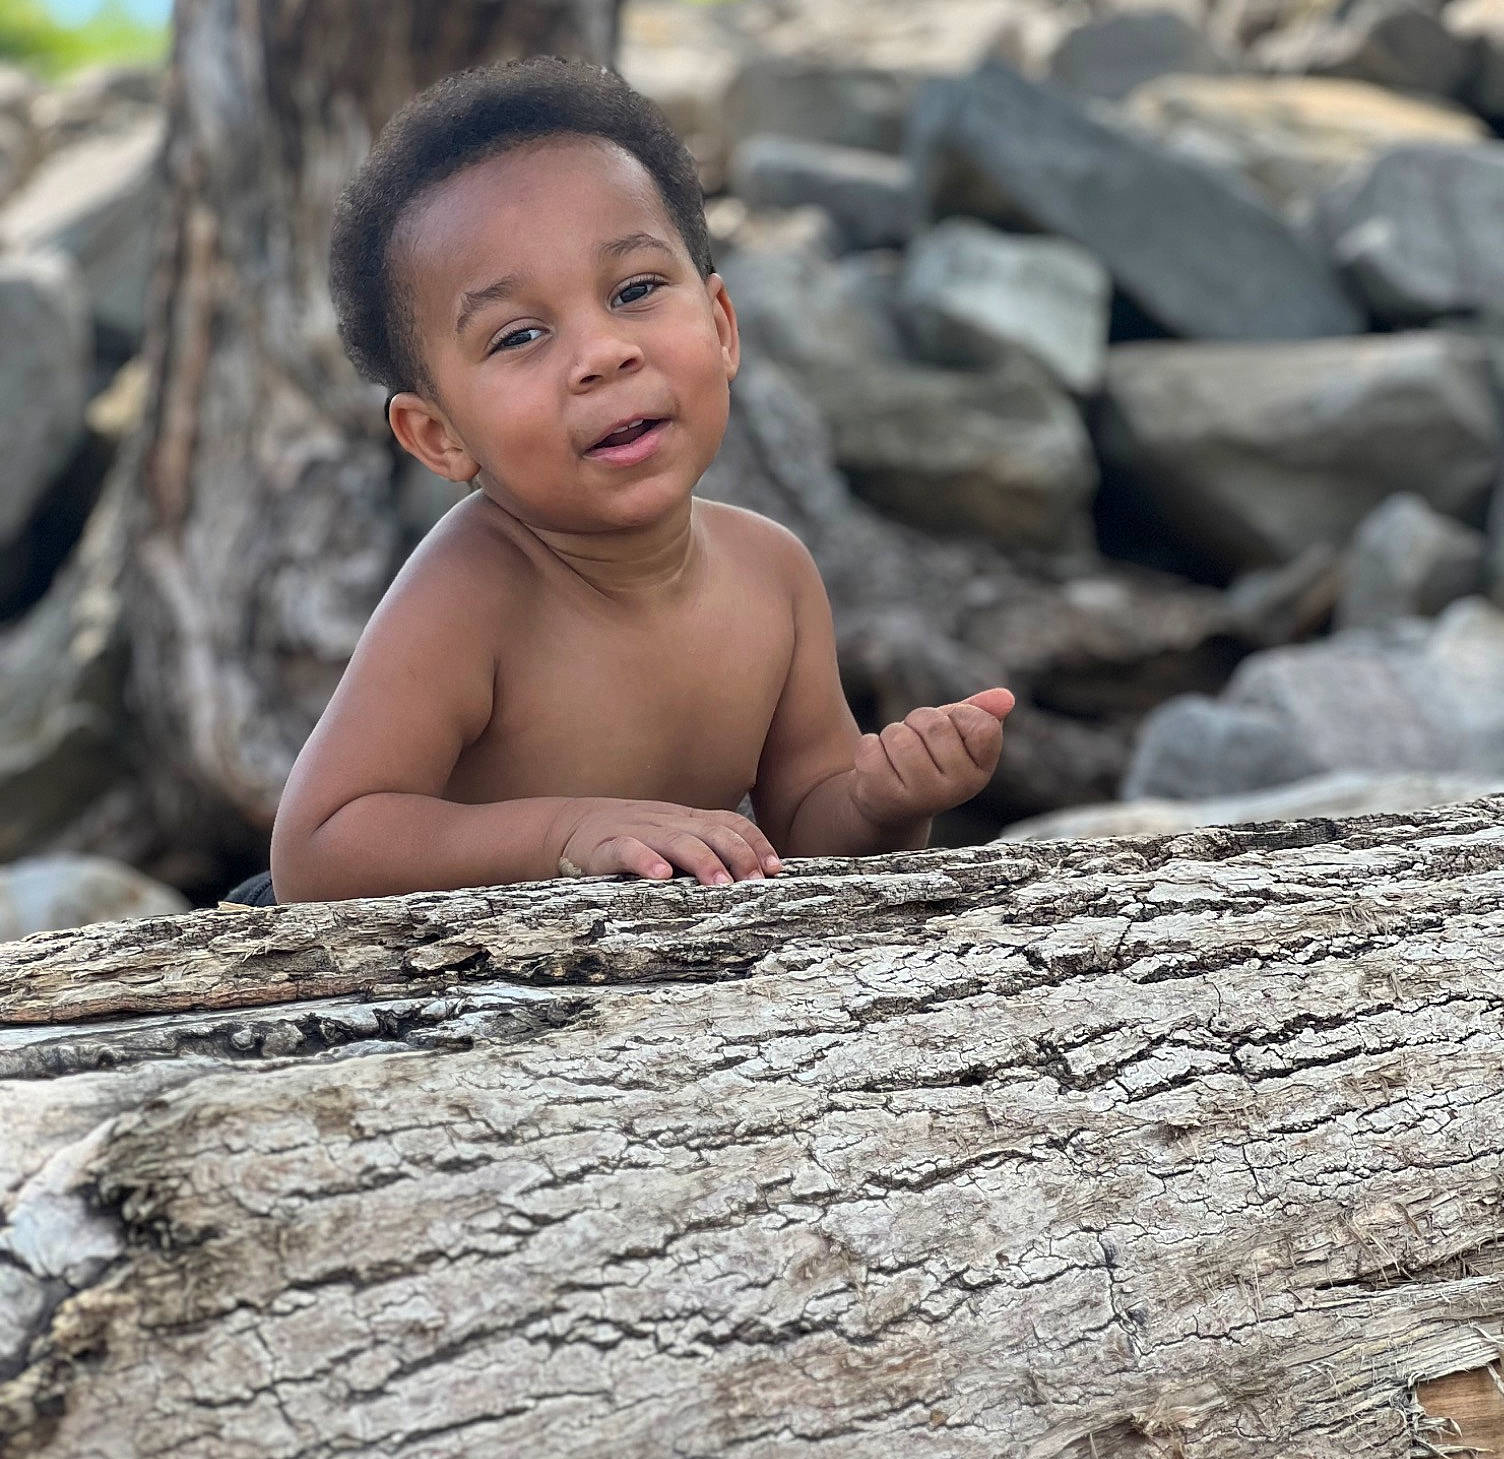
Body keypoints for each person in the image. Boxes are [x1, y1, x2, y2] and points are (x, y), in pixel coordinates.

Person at [267, 57, 1014, 901]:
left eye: (635, 289)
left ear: (723, 326)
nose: (602, 354)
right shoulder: (469, 595)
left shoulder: (773, 573)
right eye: (518, 336)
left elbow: (806, 827)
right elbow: (317, 851)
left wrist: (883, 801)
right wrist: (565, 833)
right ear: (438, 437)